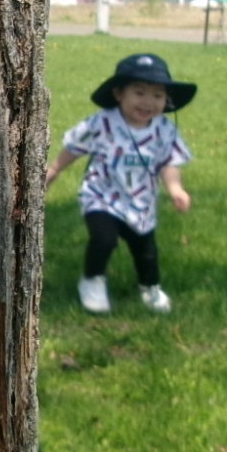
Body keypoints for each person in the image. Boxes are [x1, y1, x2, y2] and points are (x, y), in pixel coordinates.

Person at [44, 52, 196, 314]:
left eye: (157, 95)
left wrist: (175, 188)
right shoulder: (103, 123)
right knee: (104, 239)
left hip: (141, 202)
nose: (148, 102)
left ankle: (150, 287)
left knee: (146, 250)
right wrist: (55, 168)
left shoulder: (164, 130)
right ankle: (93, 279)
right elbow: (76, 147)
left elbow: (168, 163)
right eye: (139, 92)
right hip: (101, 195)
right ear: (119, 94)